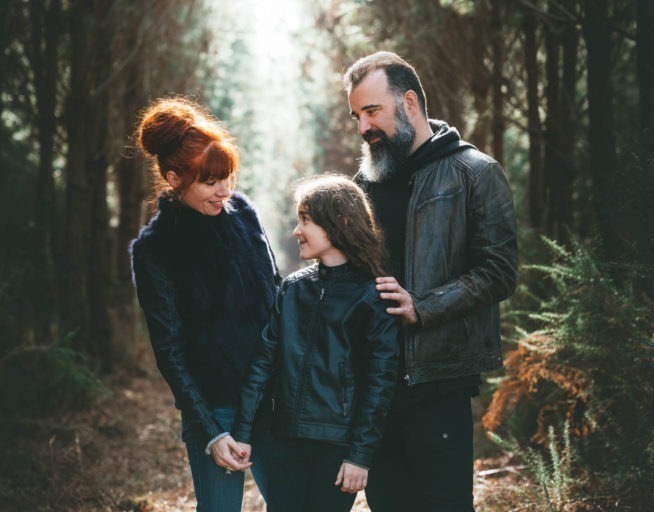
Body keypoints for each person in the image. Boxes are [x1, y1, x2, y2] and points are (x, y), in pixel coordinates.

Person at [343, 51, 519, 511]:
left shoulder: (476, 172)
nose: (363, 127)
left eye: (373, 111)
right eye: (356, 115)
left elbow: (499, 271)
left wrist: (423, 306)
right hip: (376, 389)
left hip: (440, 382)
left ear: (410, 103)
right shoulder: (362, 184)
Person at [129, 96, 280, 511]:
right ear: (175, 178)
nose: (224, 191)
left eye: (227, 176)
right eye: (209, 181)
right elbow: (170, 352)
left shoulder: (244, 213)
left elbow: (276, 292)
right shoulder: (155, 251)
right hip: (216, 408)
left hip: (273, 398)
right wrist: (212, 431)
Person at [225, 174, 401, 512]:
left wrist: (360, 457)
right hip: (283, 441)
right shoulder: (293, 289)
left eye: (306, 219)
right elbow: (263, 363)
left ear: (341, 222)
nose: (297, 230)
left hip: (337, 449)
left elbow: (381, 384)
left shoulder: (372, 296)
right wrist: (243, 432)